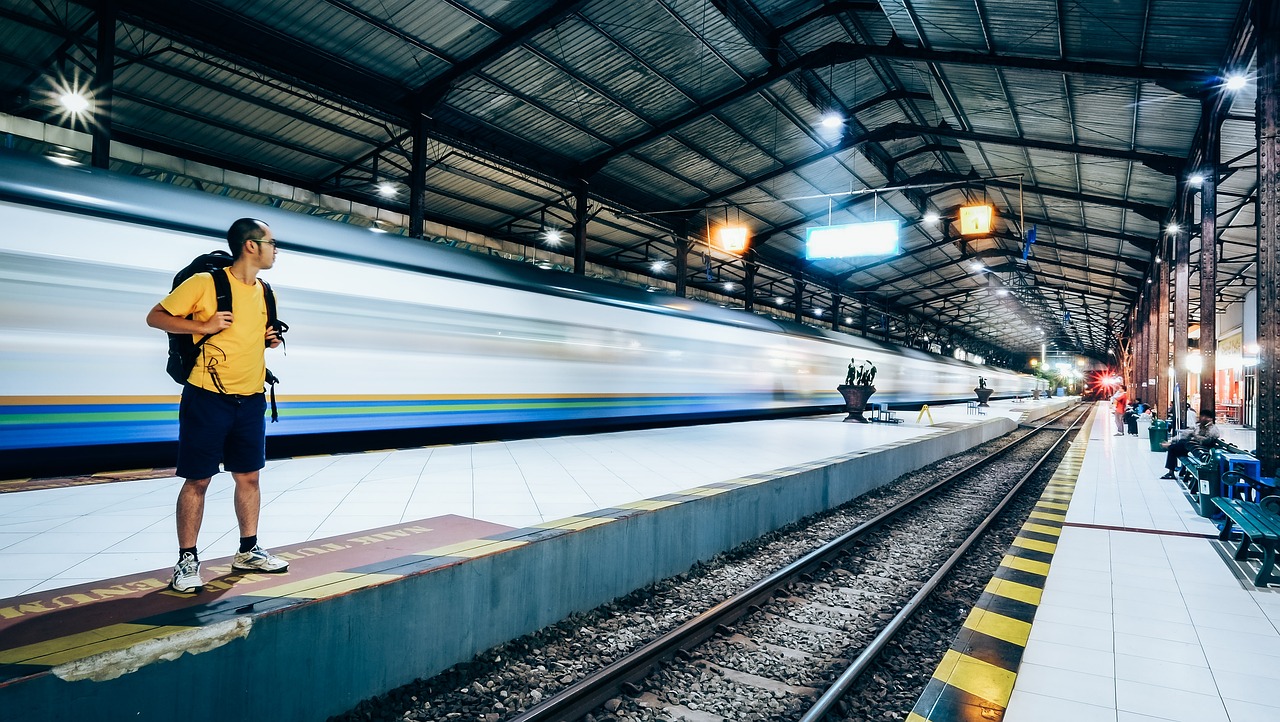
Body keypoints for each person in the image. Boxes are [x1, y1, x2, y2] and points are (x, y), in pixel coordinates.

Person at [146, 218, 289, 593]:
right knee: (198, 479)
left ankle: (248, 549)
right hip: (207, 396)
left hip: (251, 397)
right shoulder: (206, 283)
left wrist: (269, 340)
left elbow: (255, 337)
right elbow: (155, 317)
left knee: (249, 476)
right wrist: (203, 326)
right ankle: (187, 560)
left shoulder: (267, 291)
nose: (276, 250)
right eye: (272, 243)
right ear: (251, 246)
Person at [1159, 410, 1222, 479]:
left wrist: (1195, 436)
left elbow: (1207, 441)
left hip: (1201, 451)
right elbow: (1185, 434)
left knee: (1176, 446)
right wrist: (1173, 440)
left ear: (1210, 419)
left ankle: (1171, 471)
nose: (1201, 418)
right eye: (1201, 416)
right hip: (1193, 449)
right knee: (1176, 446)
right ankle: (1171, 472)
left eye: (1204, 417)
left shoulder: (1213, 429)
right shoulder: (1198, 426)